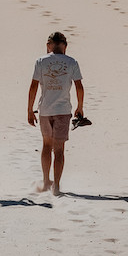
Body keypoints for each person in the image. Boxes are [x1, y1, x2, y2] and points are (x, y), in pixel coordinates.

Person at [27, 31, 84, 196]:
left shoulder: (41, 61)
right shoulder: (72, 62)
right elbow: (79, 87)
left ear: (48, 45)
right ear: (65, 46)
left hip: (45, 110)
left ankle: (46, 182)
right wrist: (80, 107)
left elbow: (33, 87)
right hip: (63, 110)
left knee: (46, 146)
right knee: (59, 150)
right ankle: (56, 186)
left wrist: (29, 109)